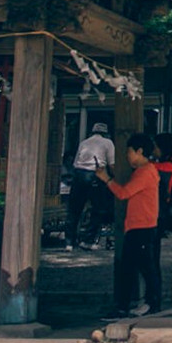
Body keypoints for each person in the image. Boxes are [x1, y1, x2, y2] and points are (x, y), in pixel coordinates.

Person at [98, 133, 161, 318]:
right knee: (140, 267)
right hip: (141, 226)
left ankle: (140, 304)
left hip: (140, 227)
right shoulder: (147, 171)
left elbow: (124, 193)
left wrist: (107, 179)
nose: (127, 156)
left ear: (139, 151)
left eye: (129, 152)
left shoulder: (144, 172)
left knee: (137, 268)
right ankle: (145, 303)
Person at [68, 122, 116, 250]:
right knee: (98, 209)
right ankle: (88, 240)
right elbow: (112, 165)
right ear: (106, 133)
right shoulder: (108, 143)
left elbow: (75, 163)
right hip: (95, 175)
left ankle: (69, 242)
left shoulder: (84, 142)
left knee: (74, 209)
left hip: (79, 174)